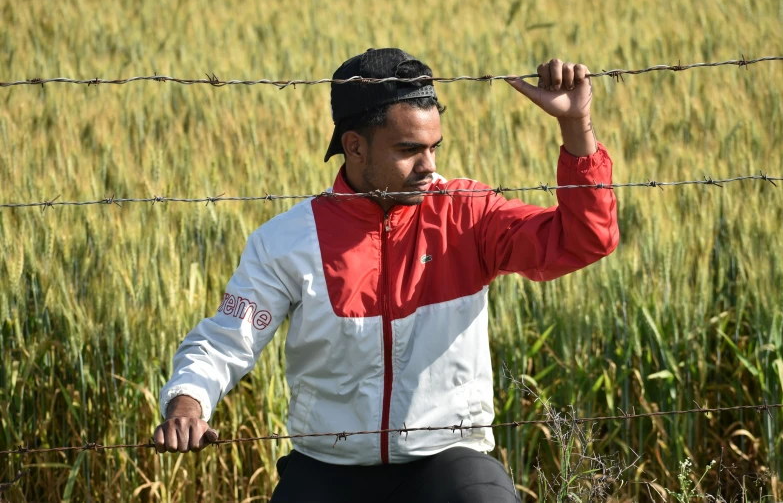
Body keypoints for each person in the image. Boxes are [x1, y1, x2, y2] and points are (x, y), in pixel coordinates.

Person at [154, 48, 619, 502]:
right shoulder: (288, 241)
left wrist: (575, 126)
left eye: (434, 148)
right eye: (409, 150)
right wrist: (188, 402)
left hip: (448, 462)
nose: (429, 167)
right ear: (354, 146)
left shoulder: (468, 215)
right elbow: (225, 340)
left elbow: (583, 240)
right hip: (327, 466)